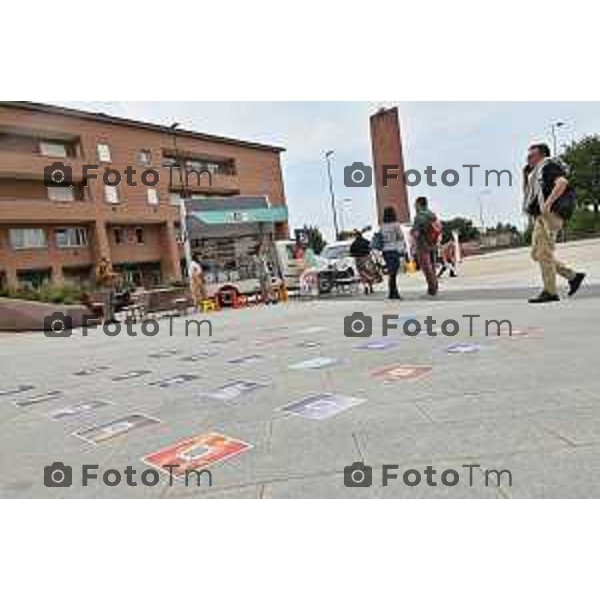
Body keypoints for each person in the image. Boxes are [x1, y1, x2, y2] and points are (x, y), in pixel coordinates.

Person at [523, 143, 585, 303]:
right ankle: (573, 276)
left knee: (544, 253)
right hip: (540, 217)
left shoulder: (548, 166)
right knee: (536, 254)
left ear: (542, 156)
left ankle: (550, 291)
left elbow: (562, 182)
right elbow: (532, 195)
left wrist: (547, 204)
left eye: (531, 156)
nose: (528, 159)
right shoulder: (536, 174)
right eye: (527, 156)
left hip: (549, 215)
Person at [410, 196, 439, 296]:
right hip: (433, 243)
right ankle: (435, 286)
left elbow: (416, 233)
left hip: (423, 245)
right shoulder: (432, 215)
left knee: (426, 267)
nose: (414, 206)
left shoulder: (419, 217)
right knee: (432, 266)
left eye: (415, 204)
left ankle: (432, 289)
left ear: (419, 204)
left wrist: (412, 233)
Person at [380, 207, 406, 299]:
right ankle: (394, 293)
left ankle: (392, 292)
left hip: (385, 251)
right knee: (393, 273)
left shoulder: (382, 226)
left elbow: (381, 238)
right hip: (394, 250)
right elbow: (401, 236)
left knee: (391, 272)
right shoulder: (396, 225)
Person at [349, 229, 379, 294]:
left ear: (356, 236)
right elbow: (371, 247)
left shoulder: (354, 243)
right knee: (370, 272)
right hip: (367, 258)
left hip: (358, 259)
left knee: (362, 274)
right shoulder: (366, 241)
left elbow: (351, 252)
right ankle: (371, 287)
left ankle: (365, 286)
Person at [95, 256, 118, 323]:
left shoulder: (109, 269)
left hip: (111, 287)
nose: (107, 264)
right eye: (106, 262)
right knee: (106, 304)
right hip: (104, 288)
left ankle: (112, 317)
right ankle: (107, 319)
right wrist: (106, 275)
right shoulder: (99, 270)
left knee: (112, 303)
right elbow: (98, 279)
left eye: (108, 262)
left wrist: (114, 277)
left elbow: (112, 276)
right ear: (102, 262)